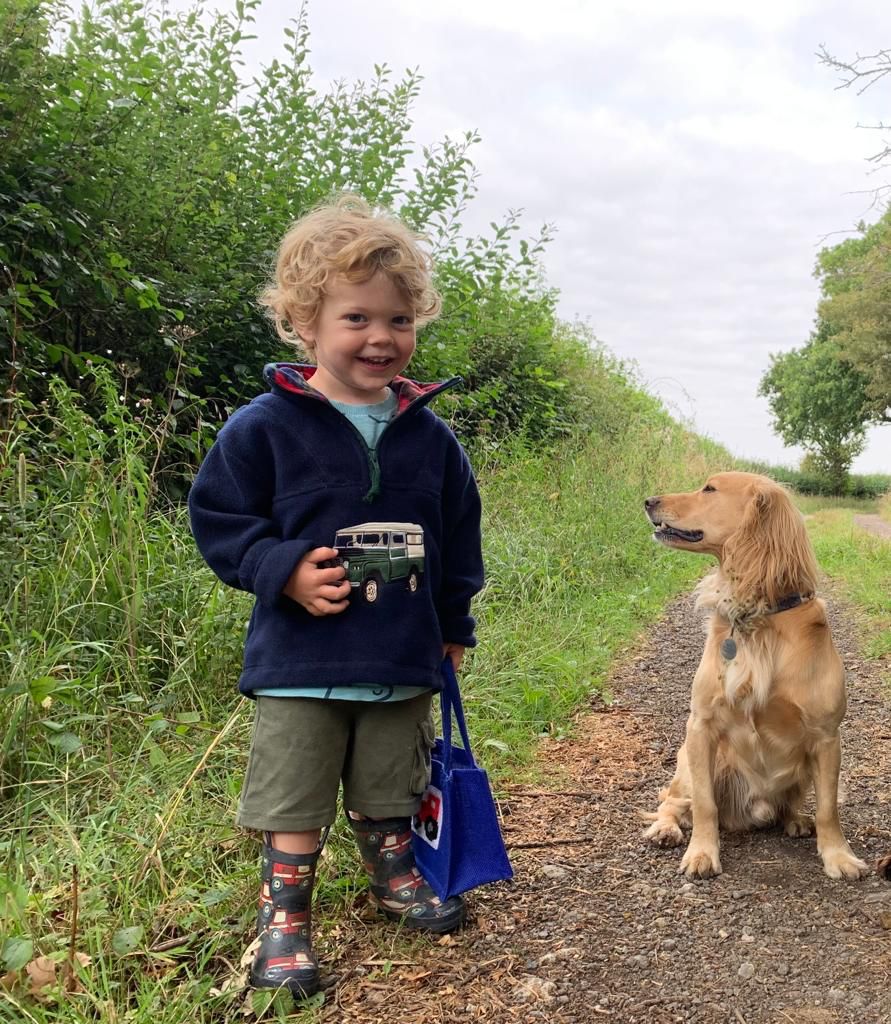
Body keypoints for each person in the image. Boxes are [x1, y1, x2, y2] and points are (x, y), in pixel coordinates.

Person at [188, 195, 484, 999]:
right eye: (356, 318)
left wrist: (451, 623)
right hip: (298, 660)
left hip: (399, 653)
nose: (380, 338)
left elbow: (459, 540)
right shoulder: (262, 427)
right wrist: (279, 568)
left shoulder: (431, 437)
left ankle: (394, 874)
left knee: (393, 776)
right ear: (304, 322)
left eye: (398, 319)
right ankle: (284, 918)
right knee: (295, 787)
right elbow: (217, 519)